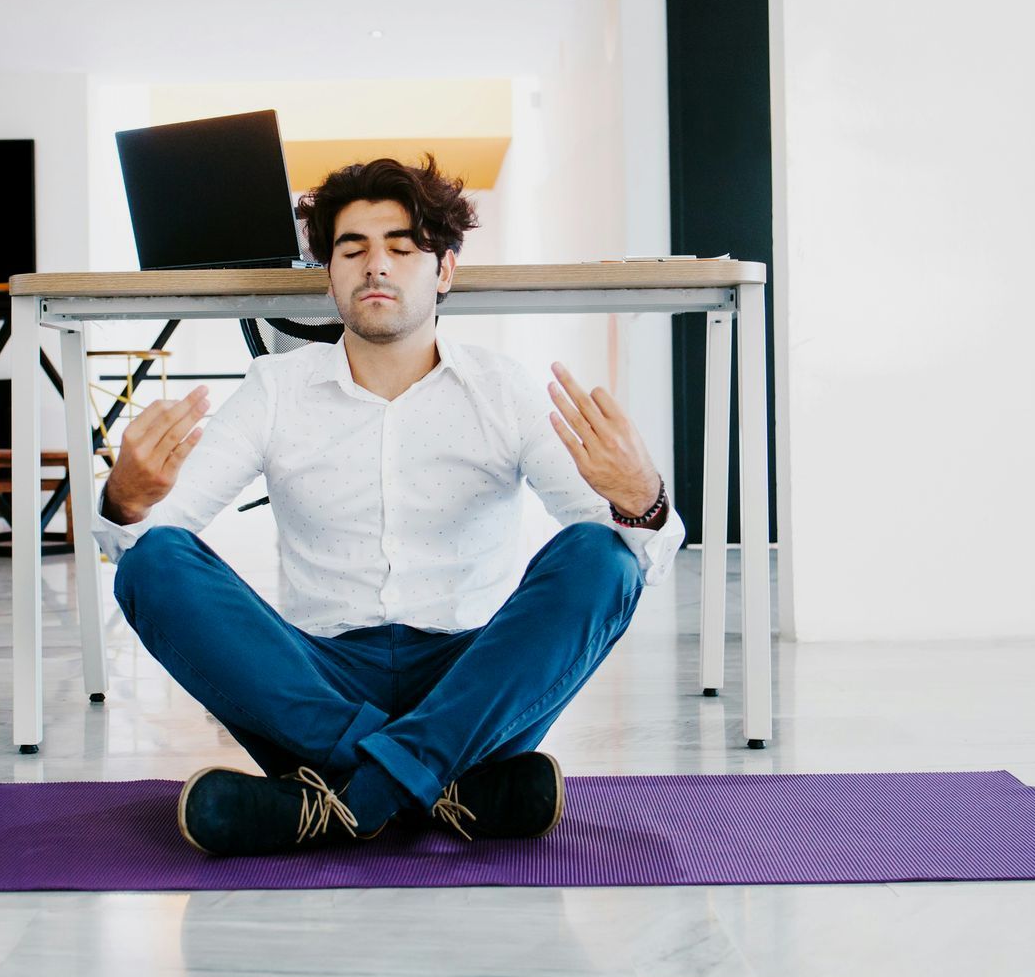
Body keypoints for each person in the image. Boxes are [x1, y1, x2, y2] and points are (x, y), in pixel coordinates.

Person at [96, 156, 684, 856]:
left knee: (601, 557)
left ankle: (349, 800)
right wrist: (126, 501)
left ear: (443, 270)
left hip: (472, 685)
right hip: (314, 685)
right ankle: (448, 791)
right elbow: (149, 537)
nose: (376, 266)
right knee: (152, 563)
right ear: (330, 274)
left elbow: (631, 557)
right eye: (354, 249)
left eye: (401, 248)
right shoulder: (275, 389)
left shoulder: (504, 389)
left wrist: (641, 498)